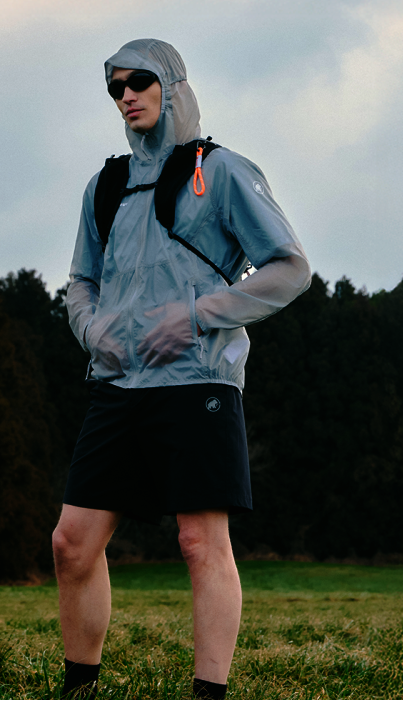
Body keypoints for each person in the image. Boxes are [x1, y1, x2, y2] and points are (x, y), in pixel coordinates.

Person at [53, 38, 311, 700]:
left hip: (198, 381)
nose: (126, 96)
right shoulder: (105, 185)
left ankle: (208, 693)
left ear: (171, 86)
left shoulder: (220, 171)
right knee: (71, 543)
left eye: (138, 81)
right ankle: (79, 689)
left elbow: (289, 267)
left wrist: (199, 313)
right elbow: (80, 281)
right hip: (117, 385)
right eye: (114, 88)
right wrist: (93, 330)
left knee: (199, 541)